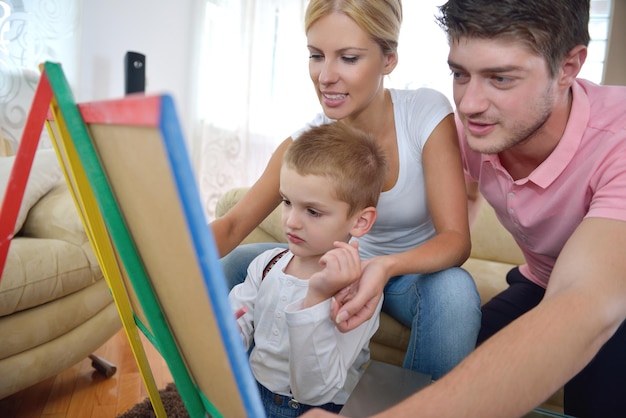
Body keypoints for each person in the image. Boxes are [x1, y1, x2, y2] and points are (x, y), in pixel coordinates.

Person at [303, 0, 626, 417]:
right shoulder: (478, 131)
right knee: (461, 366)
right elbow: (465, 201)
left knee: (596, 386)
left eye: (501, 78)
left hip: (609, 291)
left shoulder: (617, 139)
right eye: (459, 74)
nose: (469, 104)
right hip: (541, 282)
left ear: (568, 67)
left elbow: (585, 300)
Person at [212, 0, 481, 382]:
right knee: (234, 264)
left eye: (349, 58)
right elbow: (234, 224)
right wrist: (160, 254)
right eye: (316, 56)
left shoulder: (424, 113)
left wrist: (381, 266)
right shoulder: (308, 141)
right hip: (328, 262)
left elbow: (456, 241)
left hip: (407, 276)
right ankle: (232, 395)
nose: (326, 76)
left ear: (389, 59)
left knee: (455, 292)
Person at [229, 122, 387, 417]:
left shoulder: (358, 290)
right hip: (253, 396)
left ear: (360, 221)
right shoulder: (268, 263)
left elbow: (314, 391)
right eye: (288, 202)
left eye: (312, 211)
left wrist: (316, 298)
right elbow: (237, 325)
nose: (291, 221)